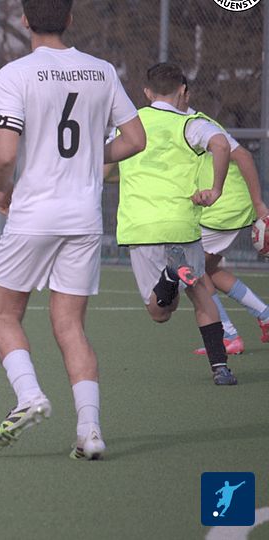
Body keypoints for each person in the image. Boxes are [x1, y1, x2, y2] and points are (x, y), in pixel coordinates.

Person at [0, 0, 145, 461]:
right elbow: (136, 139)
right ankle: (90, 431)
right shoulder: (101, 70)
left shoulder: (15, 74)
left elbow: (5, 154)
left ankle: (29, 396)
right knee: (71, 325)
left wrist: (2, 190)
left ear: (24, 21)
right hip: (83, 217)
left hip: (34, 213)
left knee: (3, 315)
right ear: (70, 19)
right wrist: (91, 157)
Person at [113, 62, 237, 385]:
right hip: (181, 225)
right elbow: (221, 144)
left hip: (141, 227)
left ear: (147, 92)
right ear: (183, 91)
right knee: (200, 291)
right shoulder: (191, 124)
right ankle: (221, 369)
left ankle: (170, 275)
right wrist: (216, 189)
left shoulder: (128, 125)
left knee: (160, 313)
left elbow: (103, 163)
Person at [175, 96, 269, 356]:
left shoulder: (197, 124)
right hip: (222, 208)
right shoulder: (181, 124)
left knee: (190, 270)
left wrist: (259, 204)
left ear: (183, 94)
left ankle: (228, 335)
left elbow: (244, 156)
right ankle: (265, 315)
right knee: (209, 270)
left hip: (223, 209)